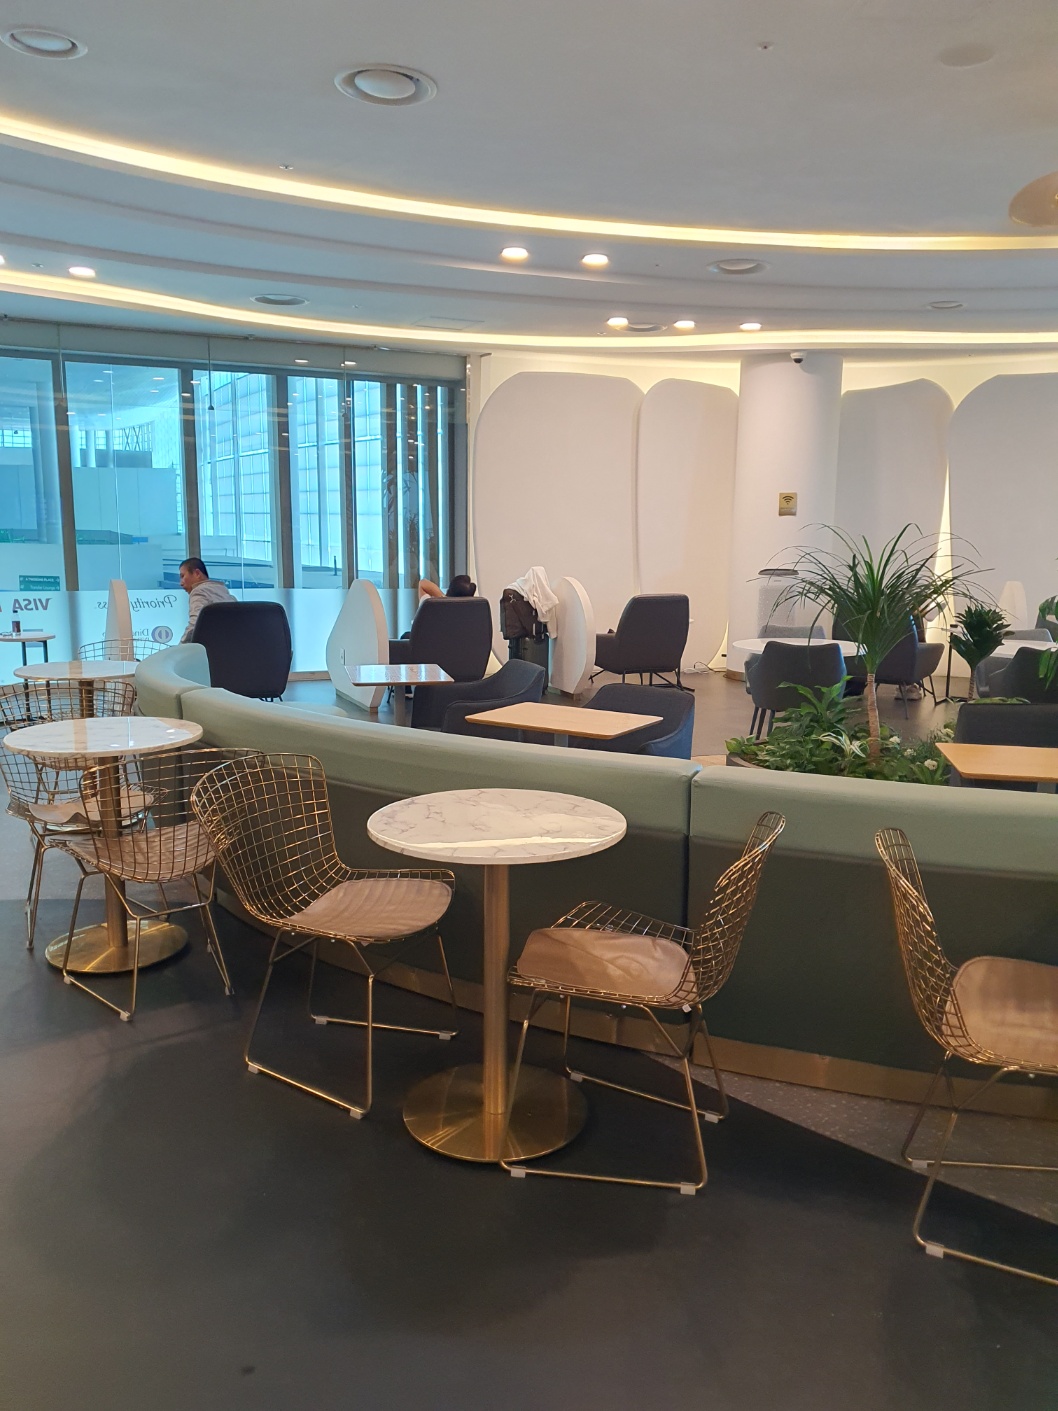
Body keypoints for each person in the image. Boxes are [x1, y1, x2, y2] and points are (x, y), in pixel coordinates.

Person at [179, 557, 236, 642]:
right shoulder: (224, 592)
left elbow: (195, 624)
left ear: (197, 573)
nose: (181, 583)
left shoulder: (198, 591)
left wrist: (181, 646)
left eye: (182, 576)